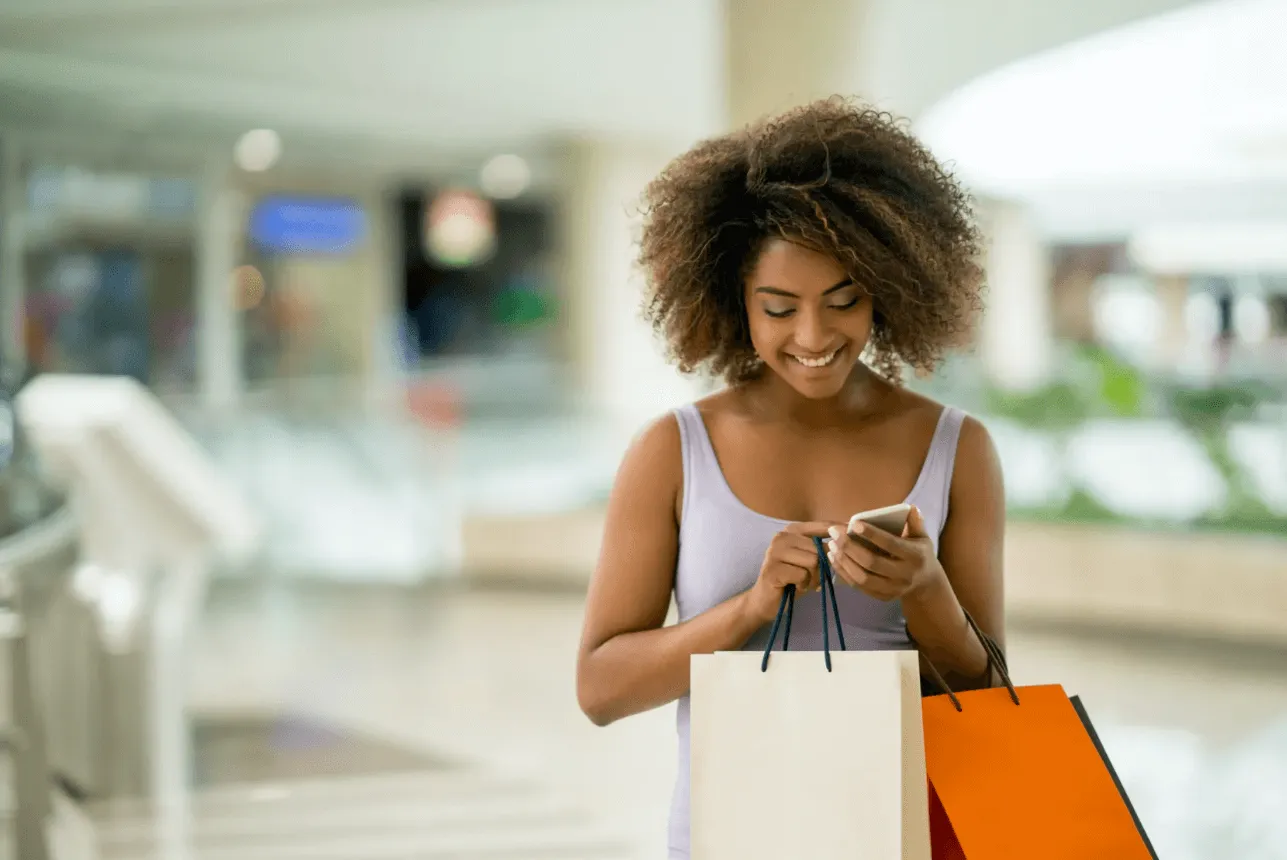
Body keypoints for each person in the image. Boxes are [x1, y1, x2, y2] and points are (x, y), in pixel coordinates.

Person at [575, 97, 1006, 859]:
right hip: (735, 838)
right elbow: (602, 691)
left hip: (902, 835)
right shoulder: (673, 451)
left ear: (888, 288)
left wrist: (925, 589)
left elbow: (989, 703)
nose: (812, 338)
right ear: (734, 303)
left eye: (843, 303)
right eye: (779, 309)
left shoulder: (956, 447)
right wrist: (747, 610)